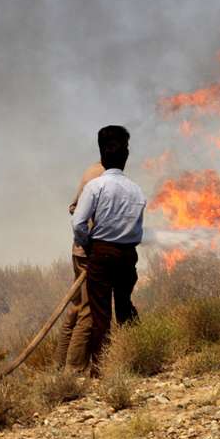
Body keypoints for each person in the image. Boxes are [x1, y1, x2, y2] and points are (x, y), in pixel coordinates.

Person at [69, 125, 146, 376]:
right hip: (128, 255)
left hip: (101, 253)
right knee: (124, 306)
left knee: (100, 315)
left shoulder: (96, 186)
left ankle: (101, 370)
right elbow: (137, 229)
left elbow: (79, 222)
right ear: (126, 157)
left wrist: (89, 244)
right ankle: (136, 358)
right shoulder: (137, 190)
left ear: (102, 156)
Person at [54, 160, 104, 371]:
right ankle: (73, 370)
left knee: (75, 308)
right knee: (88, 311)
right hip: (87, 252)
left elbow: (74, 207)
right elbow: (78, 213)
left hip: (80, 250)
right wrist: (90, 242)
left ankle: (58, 364)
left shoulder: (93, 171)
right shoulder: (101, 176)